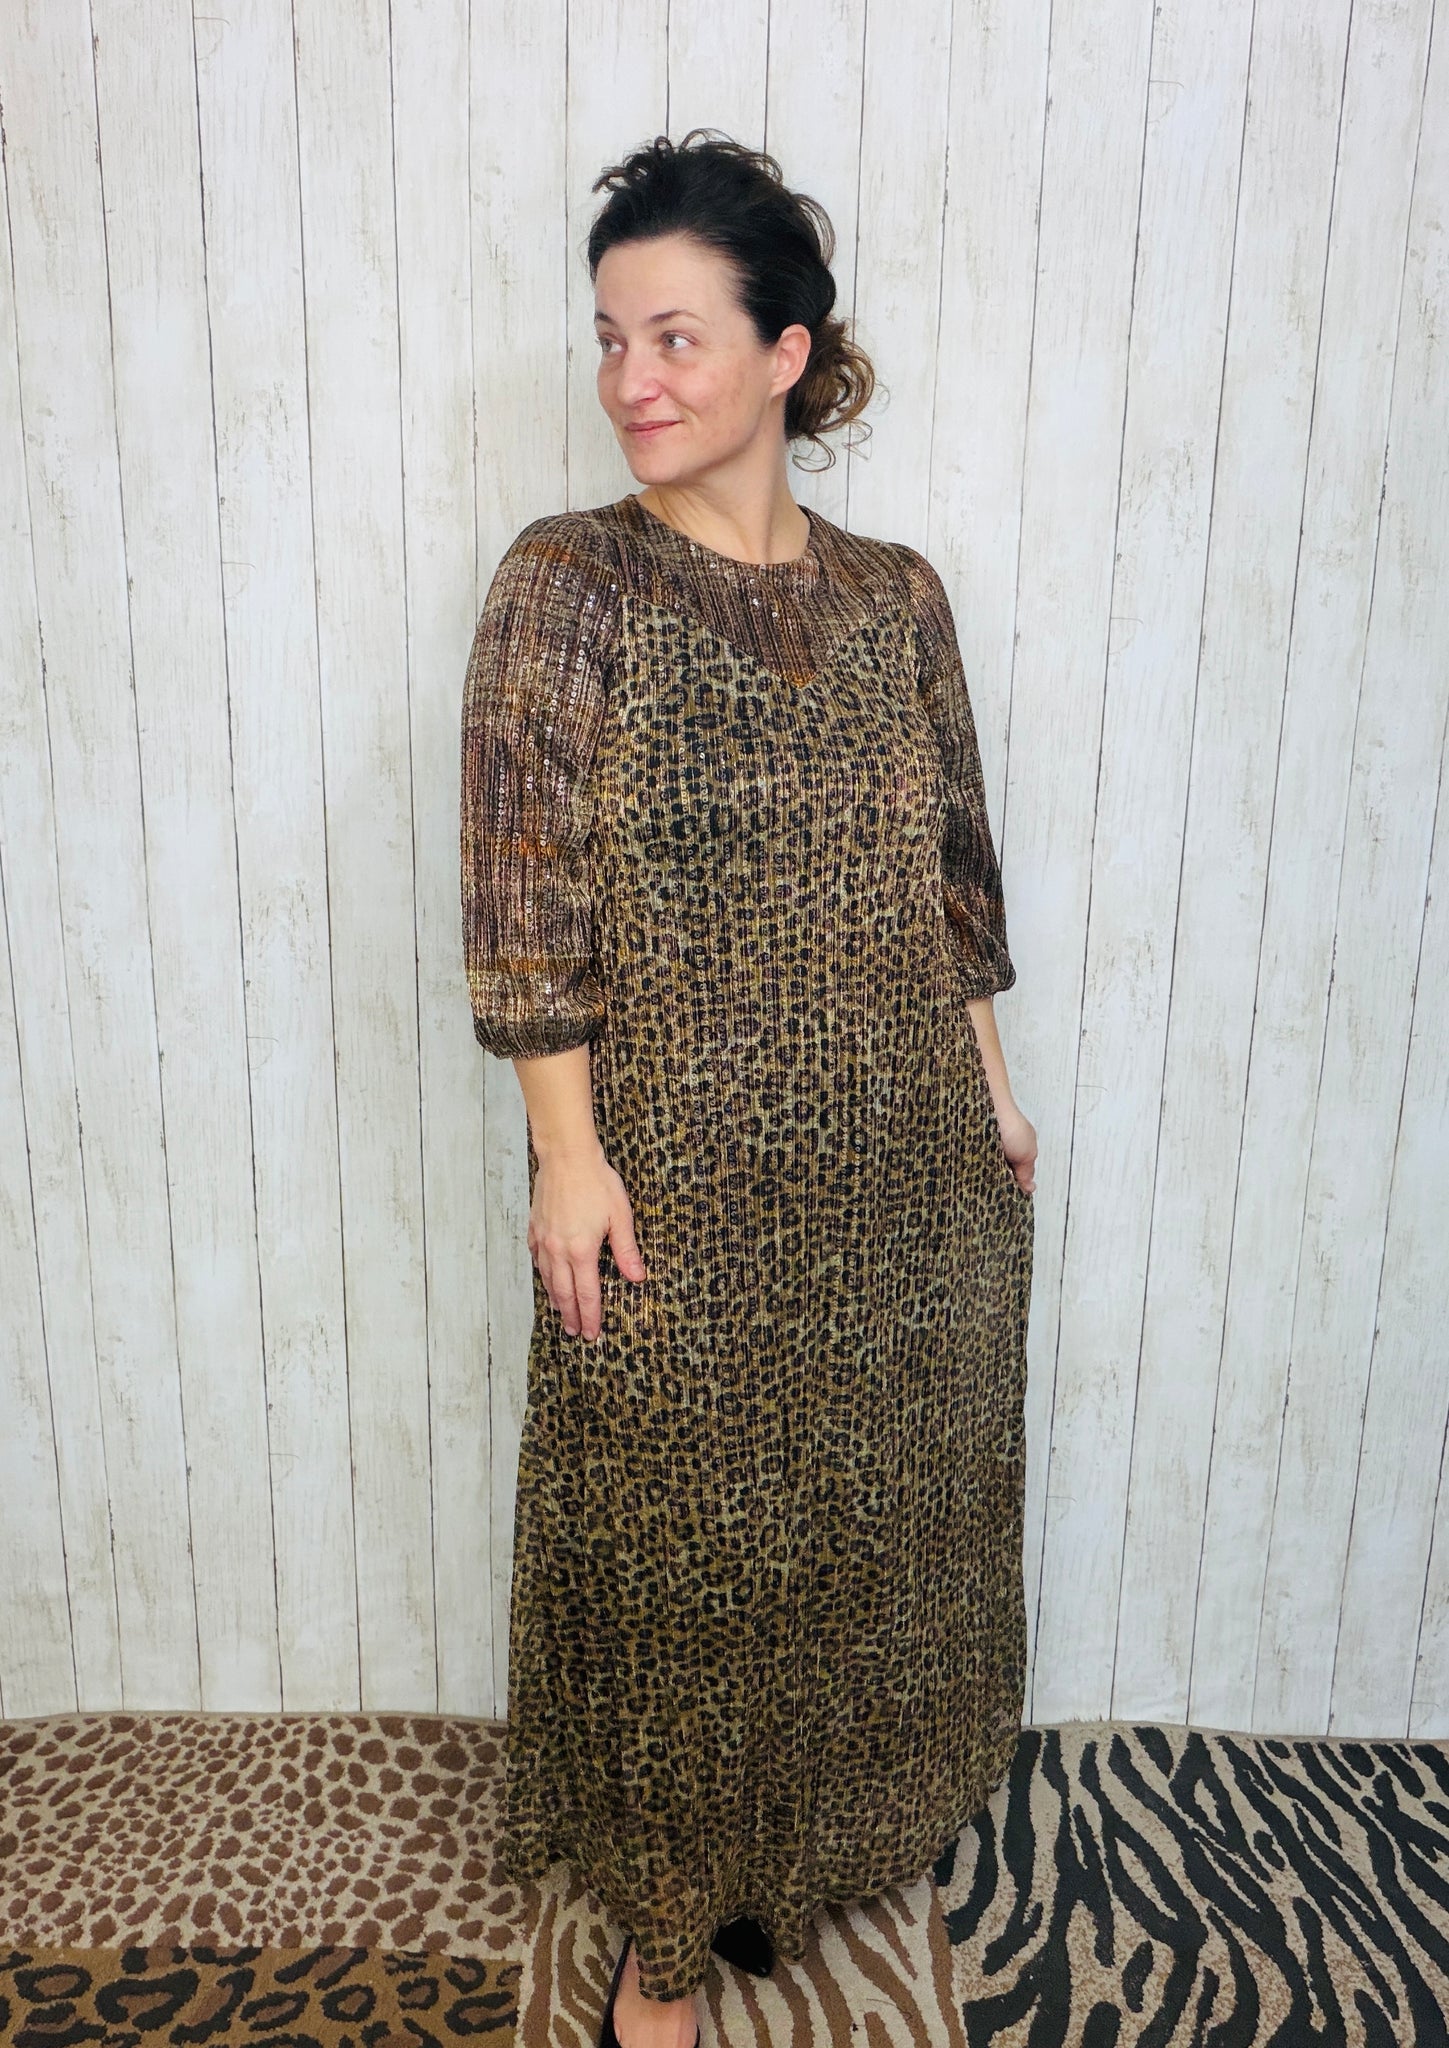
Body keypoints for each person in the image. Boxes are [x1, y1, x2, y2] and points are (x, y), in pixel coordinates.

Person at [459, 128, 1037, 2048]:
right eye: (608, 339)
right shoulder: (569, 581)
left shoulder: (898, 596)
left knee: (874, 1518)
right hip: (678, 1175)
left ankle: (828, 1827)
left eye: (675, 337)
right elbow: (522, 901)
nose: (629, 379)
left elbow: (947, 885)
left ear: (787, 353)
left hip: (905, 1164)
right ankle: (667, 1930)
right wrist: (565, 1163)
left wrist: (992, 1092)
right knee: (682, 1556)